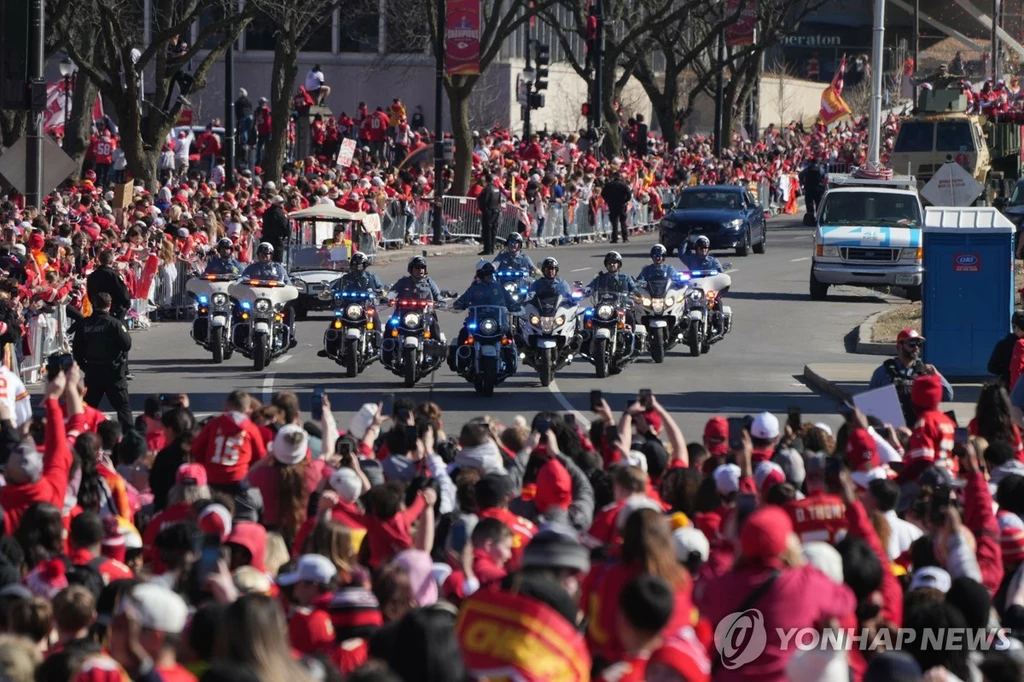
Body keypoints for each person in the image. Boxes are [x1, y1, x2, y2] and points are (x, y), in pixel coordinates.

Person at [72, 292, 133, 431]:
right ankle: (130, 439)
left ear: (93, 305)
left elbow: (77, 350)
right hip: (113, 371)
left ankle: (84, 433)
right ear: (109, 305)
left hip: (93, 371)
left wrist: (85, 366)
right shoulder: (114, 324)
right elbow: (126, 344)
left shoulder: (84, 324)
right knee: (123, 408)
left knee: (89, 407)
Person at [868, 328, 953, 427]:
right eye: (912, 344)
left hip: (920, 430)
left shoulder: (925, 372)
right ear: (899, 346)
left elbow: (948, 396)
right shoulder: (883, 372)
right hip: (895, 432)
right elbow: (870, 407)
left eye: (918, 344)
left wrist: (937, 375)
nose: (916, 347)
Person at [86, 250, 132, 321]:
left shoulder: (92, 275)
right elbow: (122, 290)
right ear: (111, 262)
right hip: (114, 308)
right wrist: (127, 304)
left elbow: (90, 291)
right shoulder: (115, 275)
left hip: (97, 307)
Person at [988, 310, 1024, 388]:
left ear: (1014, 327)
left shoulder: (1003, 344)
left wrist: (1005, 370)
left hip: (1008, 386)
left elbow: (991, 367)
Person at [601, 172, 632, 244]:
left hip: (612, 204)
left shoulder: (609, 185)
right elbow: (629, 194)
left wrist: (607, 200)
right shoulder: (623, 185)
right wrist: (626, 201)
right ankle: (625, 238)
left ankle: (614, 238)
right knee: (623, 222)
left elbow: (603, 193)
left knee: (614, 222)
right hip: (622, 204)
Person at [476, 172, 501, 256]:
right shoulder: (497, 188)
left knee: (487, 230)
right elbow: (499, 201)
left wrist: (482, 207)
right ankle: (492, 248)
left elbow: (484, 200)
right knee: (493, 230)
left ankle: (487, 249)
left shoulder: (487, 189)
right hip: (496, 210)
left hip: (488, 211)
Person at [261, 195, 290, 262]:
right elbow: (284, 224)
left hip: (266, 238)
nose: (282, 204)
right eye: (281, 203)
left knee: (266, 258)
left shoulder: (267, 212)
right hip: (277, 239)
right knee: (277, 260)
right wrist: (287, 234)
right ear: (276, 203)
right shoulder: (279, 212)